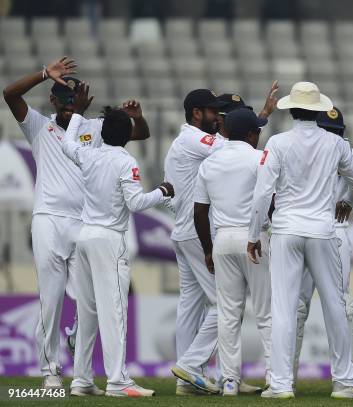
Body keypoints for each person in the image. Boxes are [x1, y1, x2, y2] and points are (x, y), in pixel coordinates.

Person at [2, 56, 150, 390]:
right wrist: (44, 74)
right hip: (49, 221)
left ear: (83, 99)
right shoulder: (39, 126)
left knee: (92, 300)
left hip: (85, 223)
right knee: (51, 299)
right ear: (53, 100)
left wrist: (137, 118)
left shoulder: (93, 128)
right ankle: (50, 370)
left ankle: (75, 343)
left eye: (74, 98)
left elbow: (140, 135)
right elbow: (10, 94)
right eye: (63, 98)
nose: (69, 103)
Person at [247, 81, 353, 399]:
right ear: (318, 110)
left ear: (291, 109)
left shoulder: (277, 143)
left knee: (284, 308)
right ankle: (344, 382)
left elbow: (263, 193)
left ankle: (280, 385)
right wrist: (345, 198)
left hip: (287, 231)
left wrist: (254, 234)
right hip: (323, 230)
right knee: (334, 305)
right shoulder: (335, 143)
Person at [55, 83, 173, 397]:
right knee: (115, 311)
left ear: (104, 132)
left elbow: (67, 142)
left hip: (84, 237)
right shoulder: (126, 162)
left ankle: (81, 380)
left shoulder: (89, 155)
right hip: (109, 240)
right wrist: (161, 193)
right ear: (126, 136)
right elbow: (135, 204)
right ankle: (118, 381)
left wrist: (78, 114)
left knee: (89, 311)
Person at [293, 106, 353, 382]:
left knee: (304, 306)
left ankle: (286, 378)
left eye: (335, 132)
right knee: (337, 304)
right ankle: (345, 378)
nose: (332, 135)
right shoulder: (349, 153)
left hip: (313, 228)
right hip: (332, 231)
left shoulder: (304, 150)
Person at [193, 108, 272, 396]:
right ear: (251, 134)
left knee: (227, 314)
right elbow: (268, 200)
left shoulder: (210, 162)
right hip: (254, 238)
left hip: (223, 239)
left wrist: (208, 250)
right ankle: (275, 378)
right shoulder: (259, 158)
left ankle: (229, 380)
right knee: (265, 313)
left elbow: (200, 212)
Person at [165, 89, 225, 395]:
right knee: (225, 302)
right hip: (196, 232)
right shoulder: (193, 140)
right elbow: (231, 150)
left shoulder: (181, 143)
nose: (218, 118)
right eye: (214, 112)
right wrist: (254, 123)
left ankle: (185, 380)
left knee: (190, 304)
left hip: (184, 231)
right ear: (196, 113)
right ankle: (190, 366)